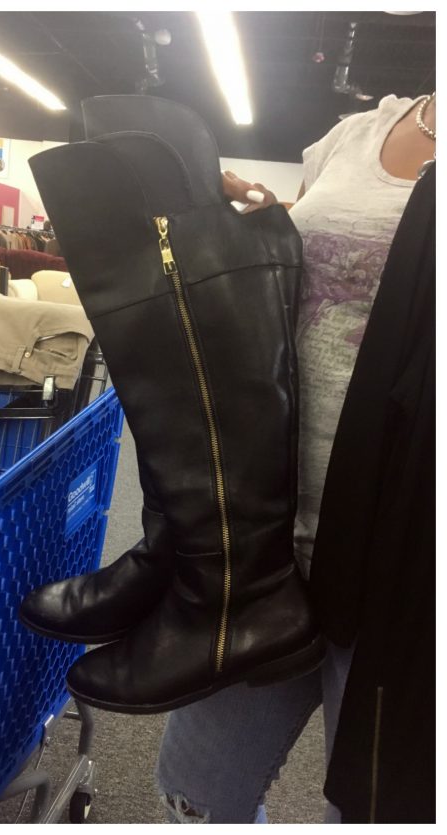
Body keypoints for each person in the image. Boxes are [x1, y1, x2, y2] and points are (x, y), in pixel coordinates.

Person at [155, 92, 434, 823]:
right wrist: (243, 230)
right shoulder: (358, 131)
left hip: (402, 566)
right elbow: (300, 281)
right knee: (197, 791)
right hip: (274, 534)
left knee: (382, 808)